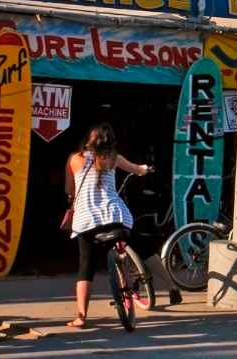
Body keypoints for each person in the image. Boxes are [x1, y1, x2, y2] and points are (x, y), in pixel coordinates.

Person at [65, 124, 150, 328]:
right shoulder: (114, 158)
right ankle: (129, 284)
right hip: (115, 214)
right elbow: (138, 170)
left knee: (86, 265)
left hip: (86, 220)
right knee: (127, 246)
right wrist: (145, 169)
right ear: (111, 141)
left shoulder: (74, 159)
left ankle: (81, 316)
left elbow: (69, 190)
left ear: (88, 140)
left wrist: (73, 198)